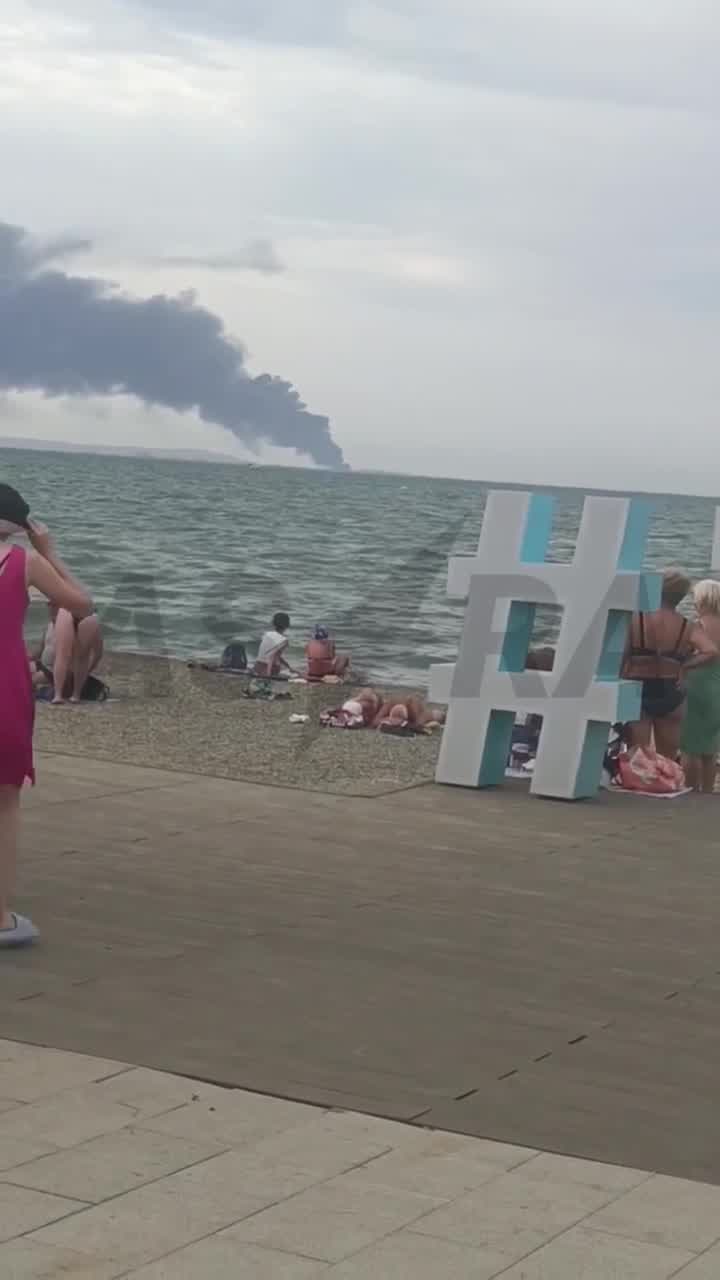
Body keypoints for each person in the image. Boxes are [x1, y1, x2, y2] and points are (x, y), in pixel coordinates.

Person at [0, 485, 93, 947]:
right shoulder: (24, 563)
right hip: (4, 684)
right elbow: (82, 605)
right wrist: (50, 552)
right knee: (5, 801)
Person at [622, 569, 717, 760]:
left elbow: (623, 654)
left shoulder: (635, 619)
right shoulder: (686, 625)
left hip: (637, 687)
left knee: (638, 755)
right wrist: (686, 665)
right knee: (667, 758)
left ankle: (638, 787)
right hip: (671, 689)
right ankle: (665, 788)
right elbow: (711, 651)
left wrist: (622, 672)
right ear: (681, 597)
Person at [681, 580, 720, 792]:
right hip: (717, 687)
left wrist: (685, 665)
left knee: (690, 745)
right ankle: (707, 790)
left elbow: (703, 651)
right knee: (710, 746)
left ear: (703, 599)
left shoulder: (698, 626)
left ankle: (691, 788)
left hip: (697, 686)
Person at [36, 604, 104, 705]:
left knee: (62, 654)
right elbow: (98, 654)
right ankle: (75, 695)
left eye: (51, 605)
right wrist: (87, 672)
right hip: (88, 613)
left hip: (53, 671)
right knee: (81, 657)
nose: (49, 607)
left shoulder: (59, 619)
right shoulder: (50, 625)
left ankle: (58, 695)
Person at [254, 613, 296, 678]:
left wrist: (288, 667)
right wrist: (268, 674)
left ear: (274, 623)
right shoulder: (284, 640)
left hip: (257, 666)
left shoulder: (267, 634)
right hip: (270, 668)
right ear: (287, 625)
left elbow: (274, 655)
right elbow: (272, 656)